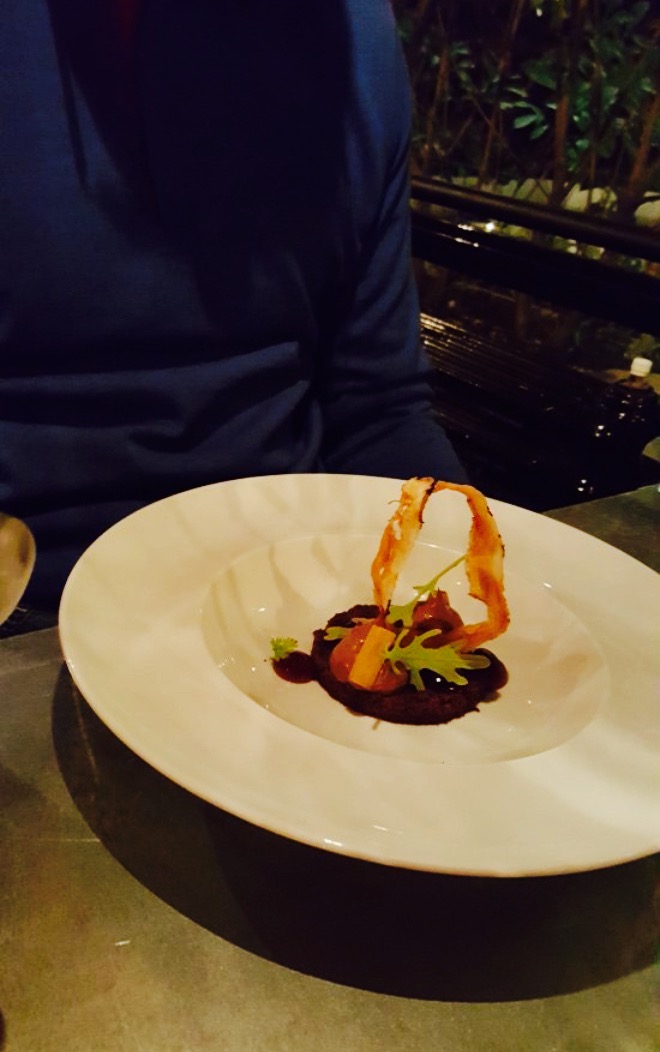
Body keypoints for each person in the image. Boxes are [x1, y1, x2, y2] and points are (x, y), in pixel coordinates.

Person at [0, 0, 465, 610]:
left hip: (295, 601)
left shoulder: (355, 34)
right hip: (25, 607)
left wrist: (462, 582)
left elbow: (377, 407)